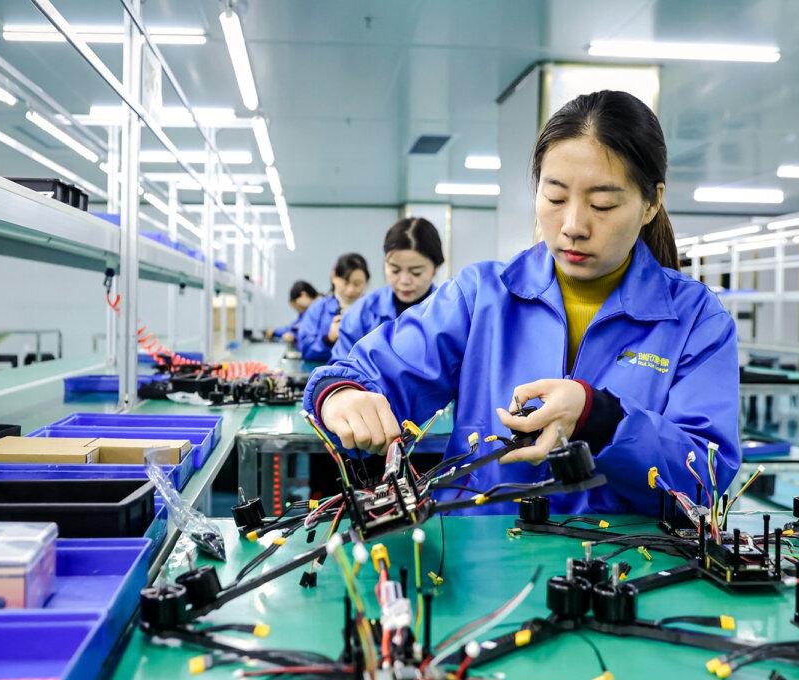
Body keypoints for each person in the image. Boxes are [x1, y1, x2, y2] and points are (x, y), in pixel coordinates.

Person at [303, 90, 741, 516]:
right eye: (554, 197)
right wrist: (340, 396)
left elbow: (707, 476)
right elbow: (362, 373)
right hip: (483, 569)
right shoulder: (482, 296)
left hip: (622, 573)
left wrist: (600, 417)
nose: (573, 225)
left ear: (651, 203)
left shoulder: (695, 319)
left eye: (603, 204)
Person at [330, 218, 444, 362]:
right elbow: (339, 367)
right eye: (395, 270)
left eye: (416, 272)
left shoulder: (449, 313)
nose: (404, 281)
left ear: (436, 268)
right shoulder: (362, 313)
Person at [297, 253, 370, 363]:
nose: (350, 290)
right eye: (345, 282)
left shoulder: (374, 311)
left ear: (366, 282)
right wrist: (329, 339)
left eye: (357, 284)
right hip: (328, 376)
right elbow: (306, 351)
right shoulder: (318, 309)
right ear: (333, 277)